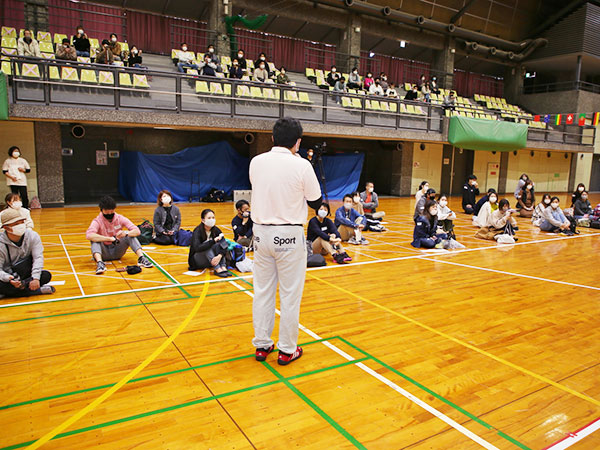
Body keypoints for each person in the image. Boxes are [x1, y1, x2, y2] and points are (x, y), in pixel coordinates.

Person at [249, 117, 322, 366]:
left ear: (272, 138)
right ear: (298, 142)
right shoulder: (302, 165)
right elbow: (316, 201)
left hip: (261, 234)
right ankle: (287, 349)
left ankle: (262, 344)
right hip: (289, 235)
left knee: (262, 291)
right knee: (290, 295)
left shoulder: (256, 162)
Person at [86, 196, 153, 274]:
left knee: (129, 234)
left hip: (117, 250)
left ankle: (141, 258)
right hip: (104, 253)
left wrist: (126, 234)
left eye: (111, 211)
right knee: (94, 239)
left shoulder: (120, 218)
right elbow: (89, 235)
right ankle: (100, 263)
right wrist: (109, 239)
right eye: (107, 212)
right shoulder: (97, 221)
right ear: (101, 210)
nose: (109, 214)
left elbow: (137, 231)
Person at [0, 208, 54, 299]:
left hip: (26, 273)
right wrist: (8, 278)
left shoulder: (33, 236)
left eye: (22, 222)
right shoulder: (1, 244)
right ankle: (34, 291)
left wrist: (35, 278)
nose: (20, 225)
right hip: (9, 277)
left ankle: (10, 292)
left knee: (46, 275)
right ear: (6, 228)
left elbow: (38, 258)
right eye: (16, 224)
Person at [188, 209, 231, 277]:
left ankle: (223, 267)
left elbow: (224, 244)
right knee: (207, 246)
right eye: (209, 218)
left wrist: (219, 256)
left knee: (219, 245)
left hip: (211, 260)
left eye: (213, 218)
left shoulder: (216, 230)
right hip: (197, 260)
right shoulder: (197, 231)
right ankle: (217, 269)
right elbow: (197, 248)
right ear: (203, 220)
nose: (212, 220)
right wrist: (212, 241)